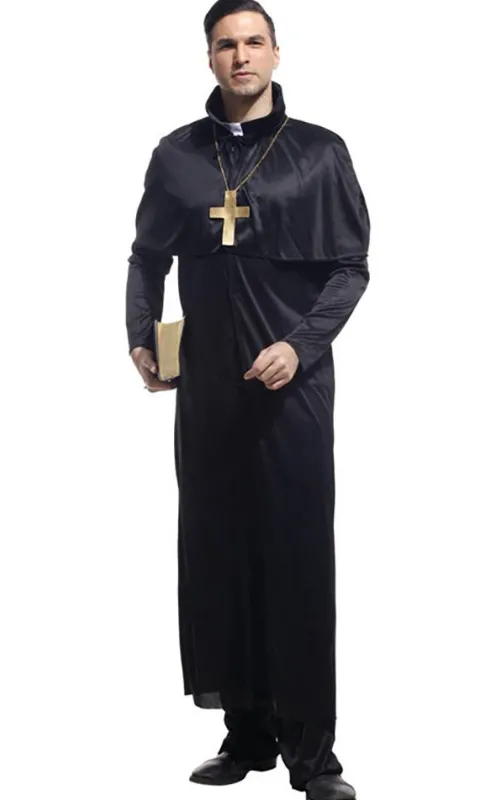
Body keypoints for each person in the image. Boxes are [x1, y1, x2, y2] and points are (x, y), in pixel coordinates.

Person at [125, 2, 370, 798]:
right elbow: (146, 256)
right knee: (219, 554)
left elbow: (351, 267)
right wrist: (142, 337)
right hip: (207, 395)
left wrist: (300, 345)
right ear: (209, 57)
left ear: (275, 53)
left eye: (254, 42)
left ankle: (313, 754)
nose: (241, 56)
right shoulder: (178, 156)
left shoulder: (319, 153)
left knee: (297, 559)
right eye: (226, 44)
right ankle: (246, 735)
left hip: (293, 393)